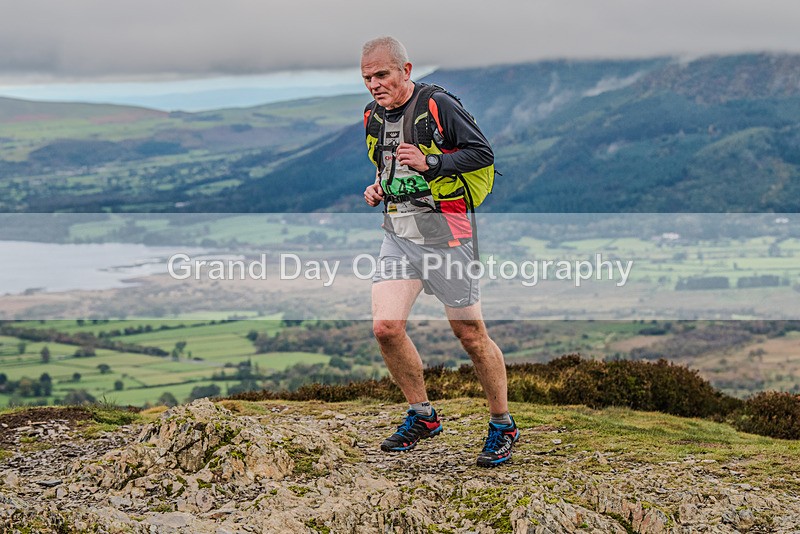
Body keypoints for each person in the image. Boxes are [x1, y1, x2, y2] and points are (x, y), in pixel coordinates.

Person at [361, 36, 519, 467]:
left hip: (448, 235)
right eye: (368, 78)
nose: (375, 84)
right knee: (386, 328)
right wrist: (379, 188)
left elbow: (481, 153)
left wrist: (432, 163)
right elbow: (389, 167)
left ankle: (502, 424)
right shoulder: (373, 116)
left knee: (469, 334)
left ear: (406, 70)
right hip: (399, 233)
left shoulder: (438, 105)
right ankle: (423, 415)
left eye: (382, 75)